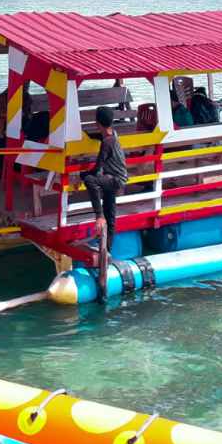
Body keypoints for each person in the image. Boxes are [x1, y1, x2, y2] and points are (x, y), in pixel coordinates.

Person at [83, 105, 129, 300]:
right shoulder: (113, 135)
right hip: (118, 178)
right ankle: (107, 250)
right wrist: (90, 136)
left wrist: (83, 174)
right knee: (112, 214)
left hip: (115, 179)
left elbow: (97, 167)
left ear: (97, 122)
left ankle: (98, 215)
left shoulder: (107, 142)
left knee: (90, 180)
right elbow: (102, 139)